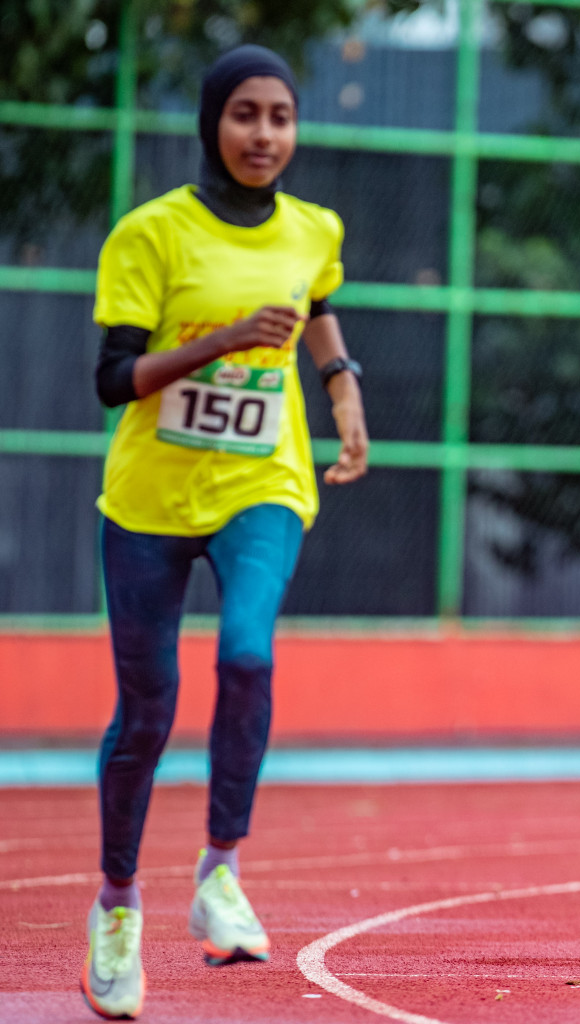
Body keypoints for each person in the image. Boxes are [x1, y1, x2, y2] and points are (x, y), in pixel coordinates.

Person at [80, 45, 369, 1019]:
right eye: (245, 115)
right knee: (146, 713)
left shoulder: (313, 227)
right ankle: (117, 906)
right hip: (150, 499)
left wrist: (343, 393)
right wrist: (218, 341)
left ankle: (220, 870)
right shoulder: (150, 235)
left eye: (281, 117)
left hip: (265, 480)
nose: (264, 135)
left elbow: (318, 309)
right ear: (213, 122)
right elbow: (113, 379)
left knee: (246, 654)